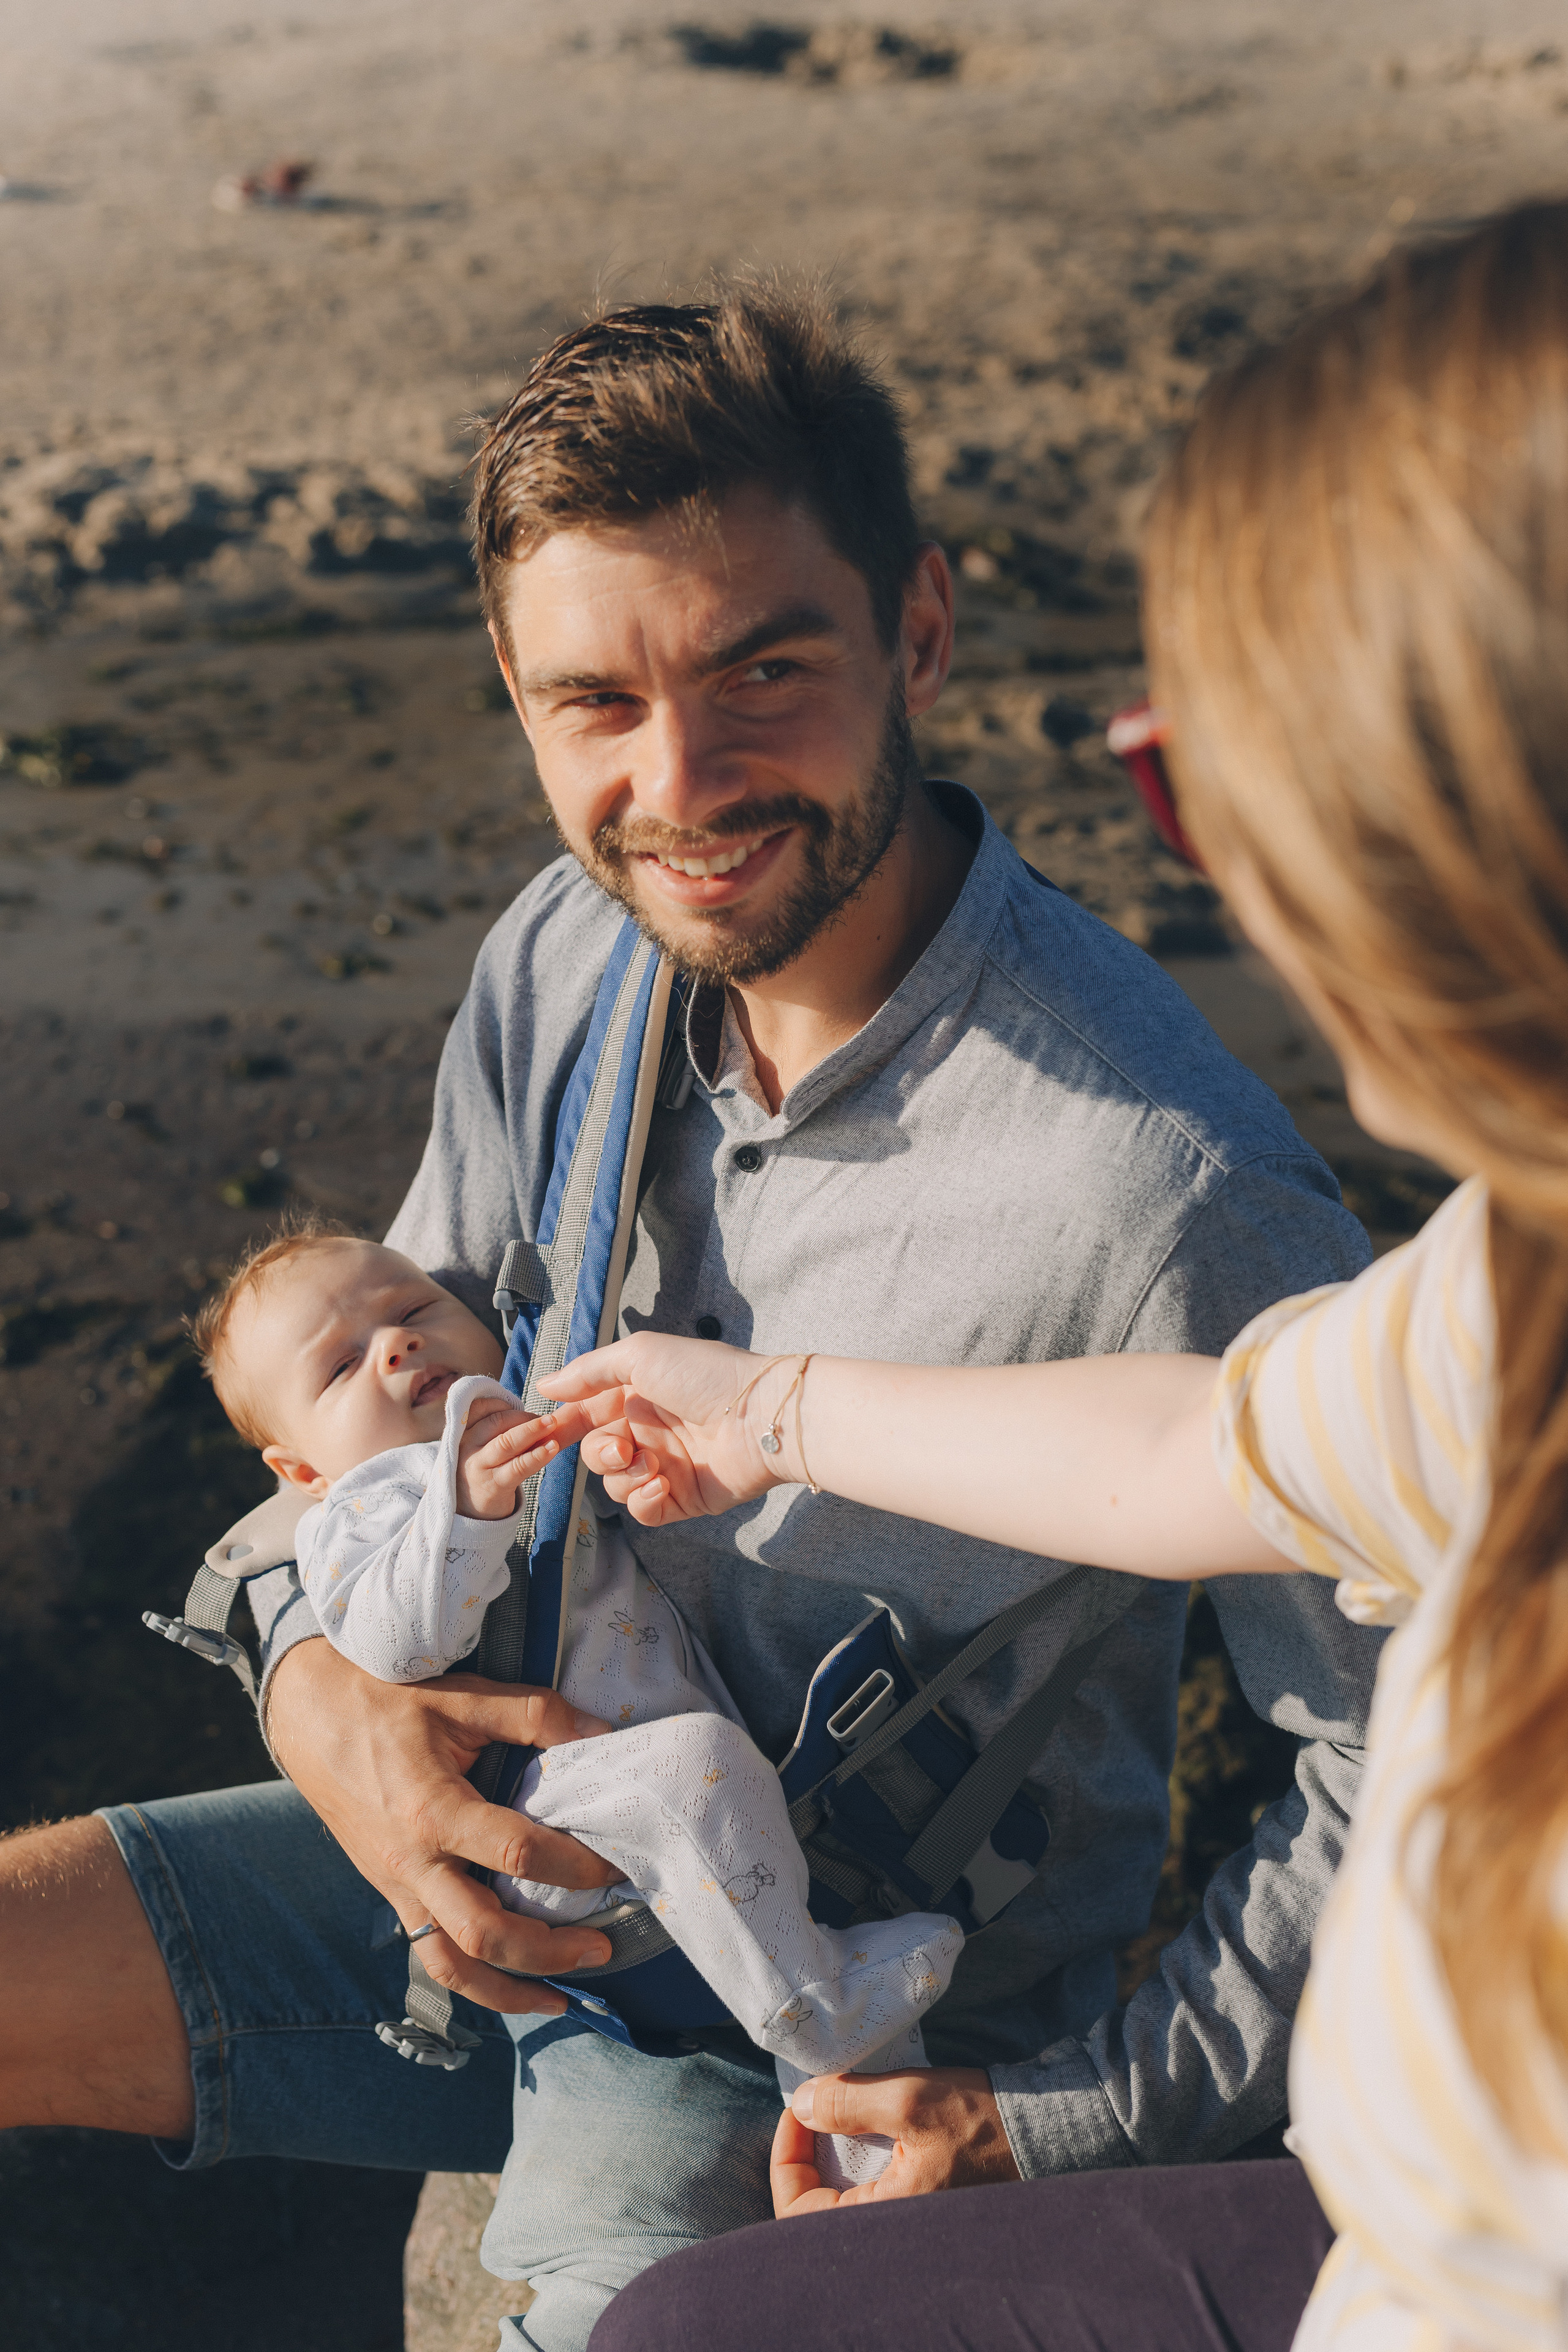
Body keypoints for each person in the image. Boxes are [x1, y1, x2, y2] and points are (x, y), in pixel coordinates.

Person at [0, 285, 1381, 2352]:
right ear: (515, 687)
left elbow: (1405, 1745)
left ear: (918, 633)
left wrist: (1062, 2125)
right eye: (595, 704)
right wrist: (322, 1703)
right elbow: (352, 1412)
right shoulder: (569, 951)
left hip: (845, 2034)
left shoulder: (1163, 1179)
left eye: (763, 670)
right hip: (507, 1876)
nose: (680, 783)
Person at [548, 205, 1568, 2351]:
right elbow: (1218, 1434)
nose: (1226, 900)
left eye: (1204, 794)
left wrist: (1072, 2114)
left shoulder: (1177, 1172)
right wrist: (772, 1409)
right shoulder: (1509, 1282)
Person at [189, 1217, 961, 2183]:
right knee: (698, 1774)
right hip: (546, 1820)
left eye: (415, 1309)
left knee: (715, 1798)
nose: (396, 1345)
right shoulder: (361, 1511)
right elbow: (397, 1638)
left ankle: (860, 2124)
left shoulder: (510, 1421)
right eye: (342, 1367)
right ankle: (818, 2011)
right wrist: (464, 1513)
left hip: (648, 1787)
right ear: (301, 1471)